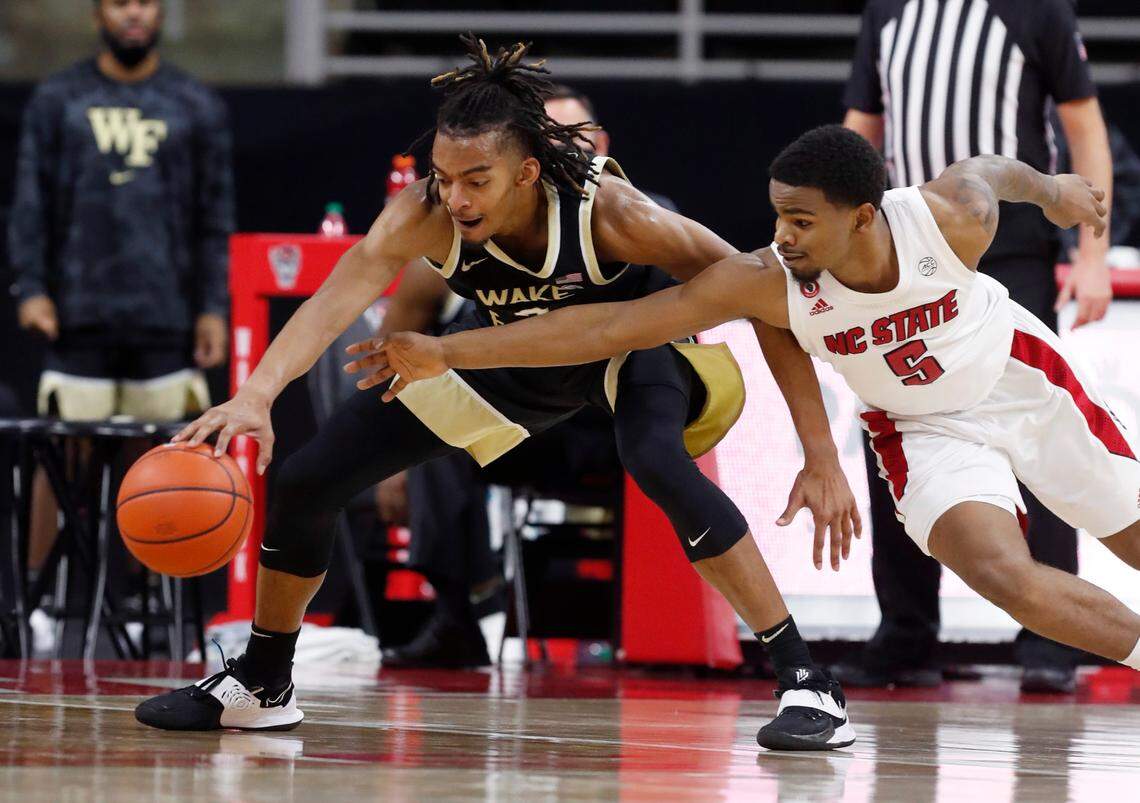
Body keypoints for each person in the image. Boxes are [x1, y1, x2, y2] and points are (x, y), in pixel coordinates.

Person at [135, 37, 861, 752]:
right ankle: (264, 681)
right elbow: (336, 297)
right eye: (443, 176)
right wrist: (258, 393)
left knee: (656, 461)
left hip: (632, 349)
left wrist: (821, 453)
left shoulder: (614, 213)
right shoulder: (426, 211)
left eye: (476, 180)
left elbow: (766, 297)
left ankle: (807, 680)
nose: (454, 197)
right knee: (306, 479)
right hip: (514, 355)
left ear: (526, 173)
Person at [371, 126, 1140, 699]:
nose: (782, 235)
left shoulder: (949, 217)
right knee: (1003, 575)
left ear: (862, 217)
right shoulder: (766, 278)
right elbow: (608, 327)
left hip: (1016, 376)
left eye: (801, 220)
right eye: (777, 215)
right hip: (920, 427)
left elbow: (994, 170)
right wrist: (451, 351)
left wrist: (1055, 191)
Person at [841, 0, 1114, 692]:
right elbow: (859, 132)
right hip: (903, 255)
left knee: (1034, 427)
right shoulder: (888, 10)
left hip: (1010, 248)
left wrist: (1093, 254)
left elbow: (1084, 128)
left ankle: (1052, 638)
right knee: (896, 423)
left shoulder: (1037, 9)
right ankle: (906, 633)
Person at [380, 83, 674, 669]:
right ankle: (457, 615)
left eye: (575, 141)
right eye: (549, 141)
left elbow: (726, 286)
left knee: (657, 425)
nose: (564, 153)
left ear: (601, 145)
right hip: (517, 418)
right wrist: (393, 459)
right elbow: (402, 322)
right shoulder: (473, 224)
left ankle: (659, 628)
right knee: (436, 440)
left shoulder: (633, 215)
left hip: (606, 420)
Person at [7, 0, 232, 577]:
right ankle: (39, 600)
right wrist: (31, 288)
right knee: (60, 461)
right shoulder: (58, 98)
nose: (133, 13)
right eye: (119, 2)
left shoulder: (195, 103)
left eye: (145, 2)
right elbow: (30, 202)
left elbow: (213, 215)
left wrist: (212, 307)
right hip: (77, 310)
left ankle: (143, 600)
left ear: (159, 14)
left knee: (163, 471)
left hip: (167, 315)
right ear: (97, 15)